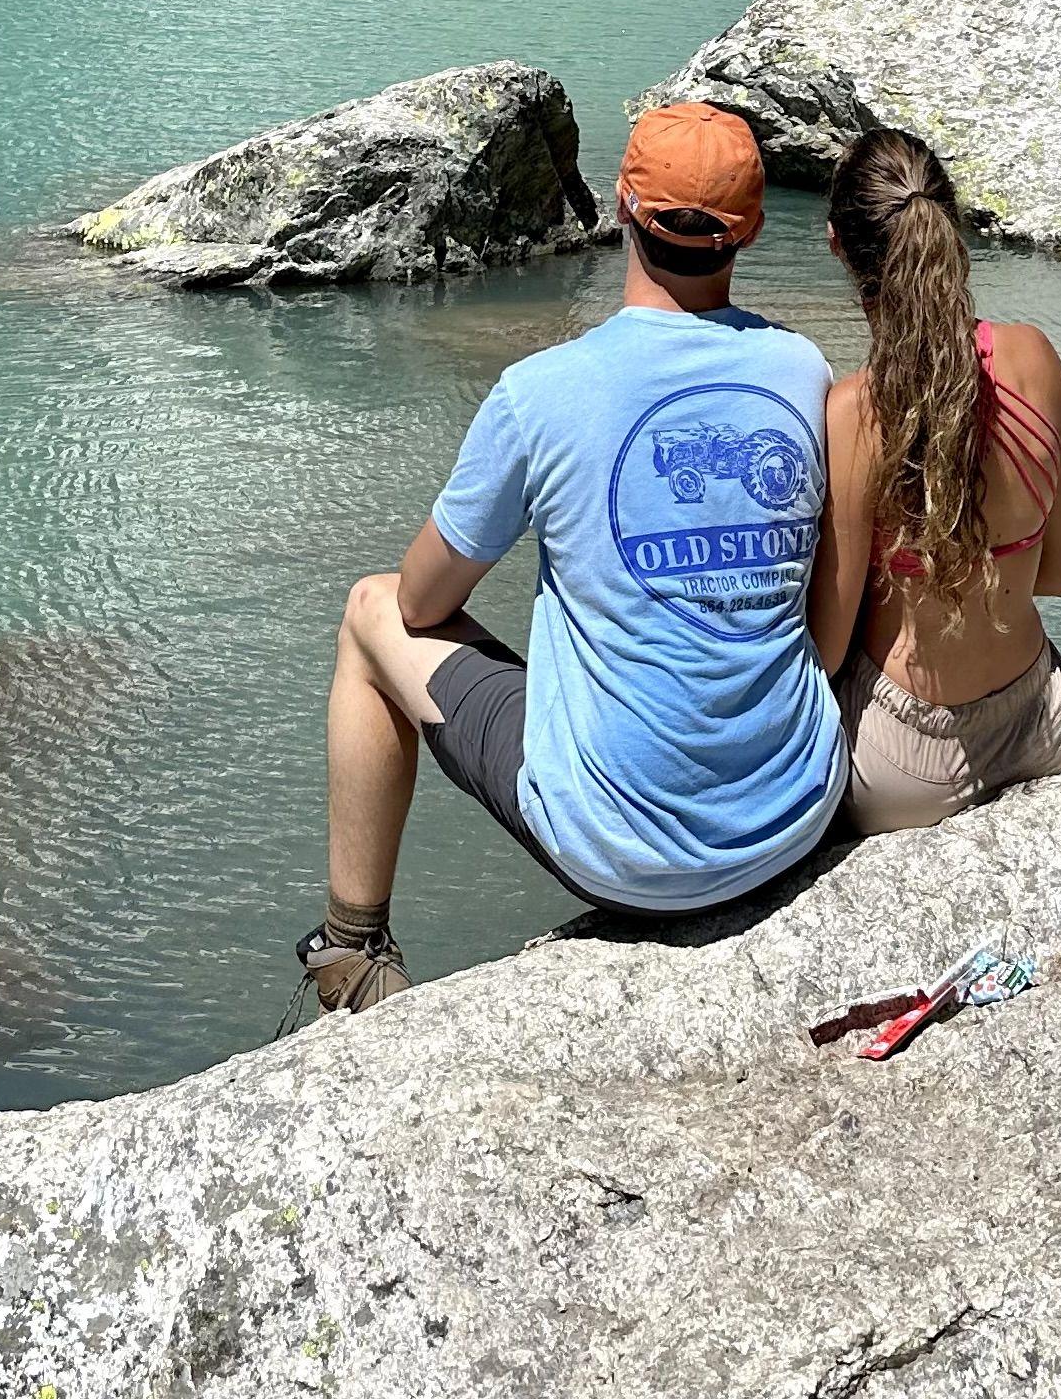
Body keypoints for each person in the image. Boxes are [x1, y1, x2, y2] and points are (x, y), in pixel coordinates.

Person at [301, 99, 845, 1012]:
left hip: (627, 855)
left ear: (623, 206)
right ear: (750, 232)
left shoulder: (540, 392)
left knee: (369, 612)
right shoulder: (803, 370)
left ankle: (352, 947)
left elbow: (422, 603)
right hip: (795, 814)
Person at [803, 127, 1061, 834]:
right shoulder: (1035, 357)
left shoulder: (855, 413)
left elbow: (827, 651)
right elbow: (1060, 575)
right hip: (1040, 724)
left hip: (905, 766)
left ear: (839, 245)